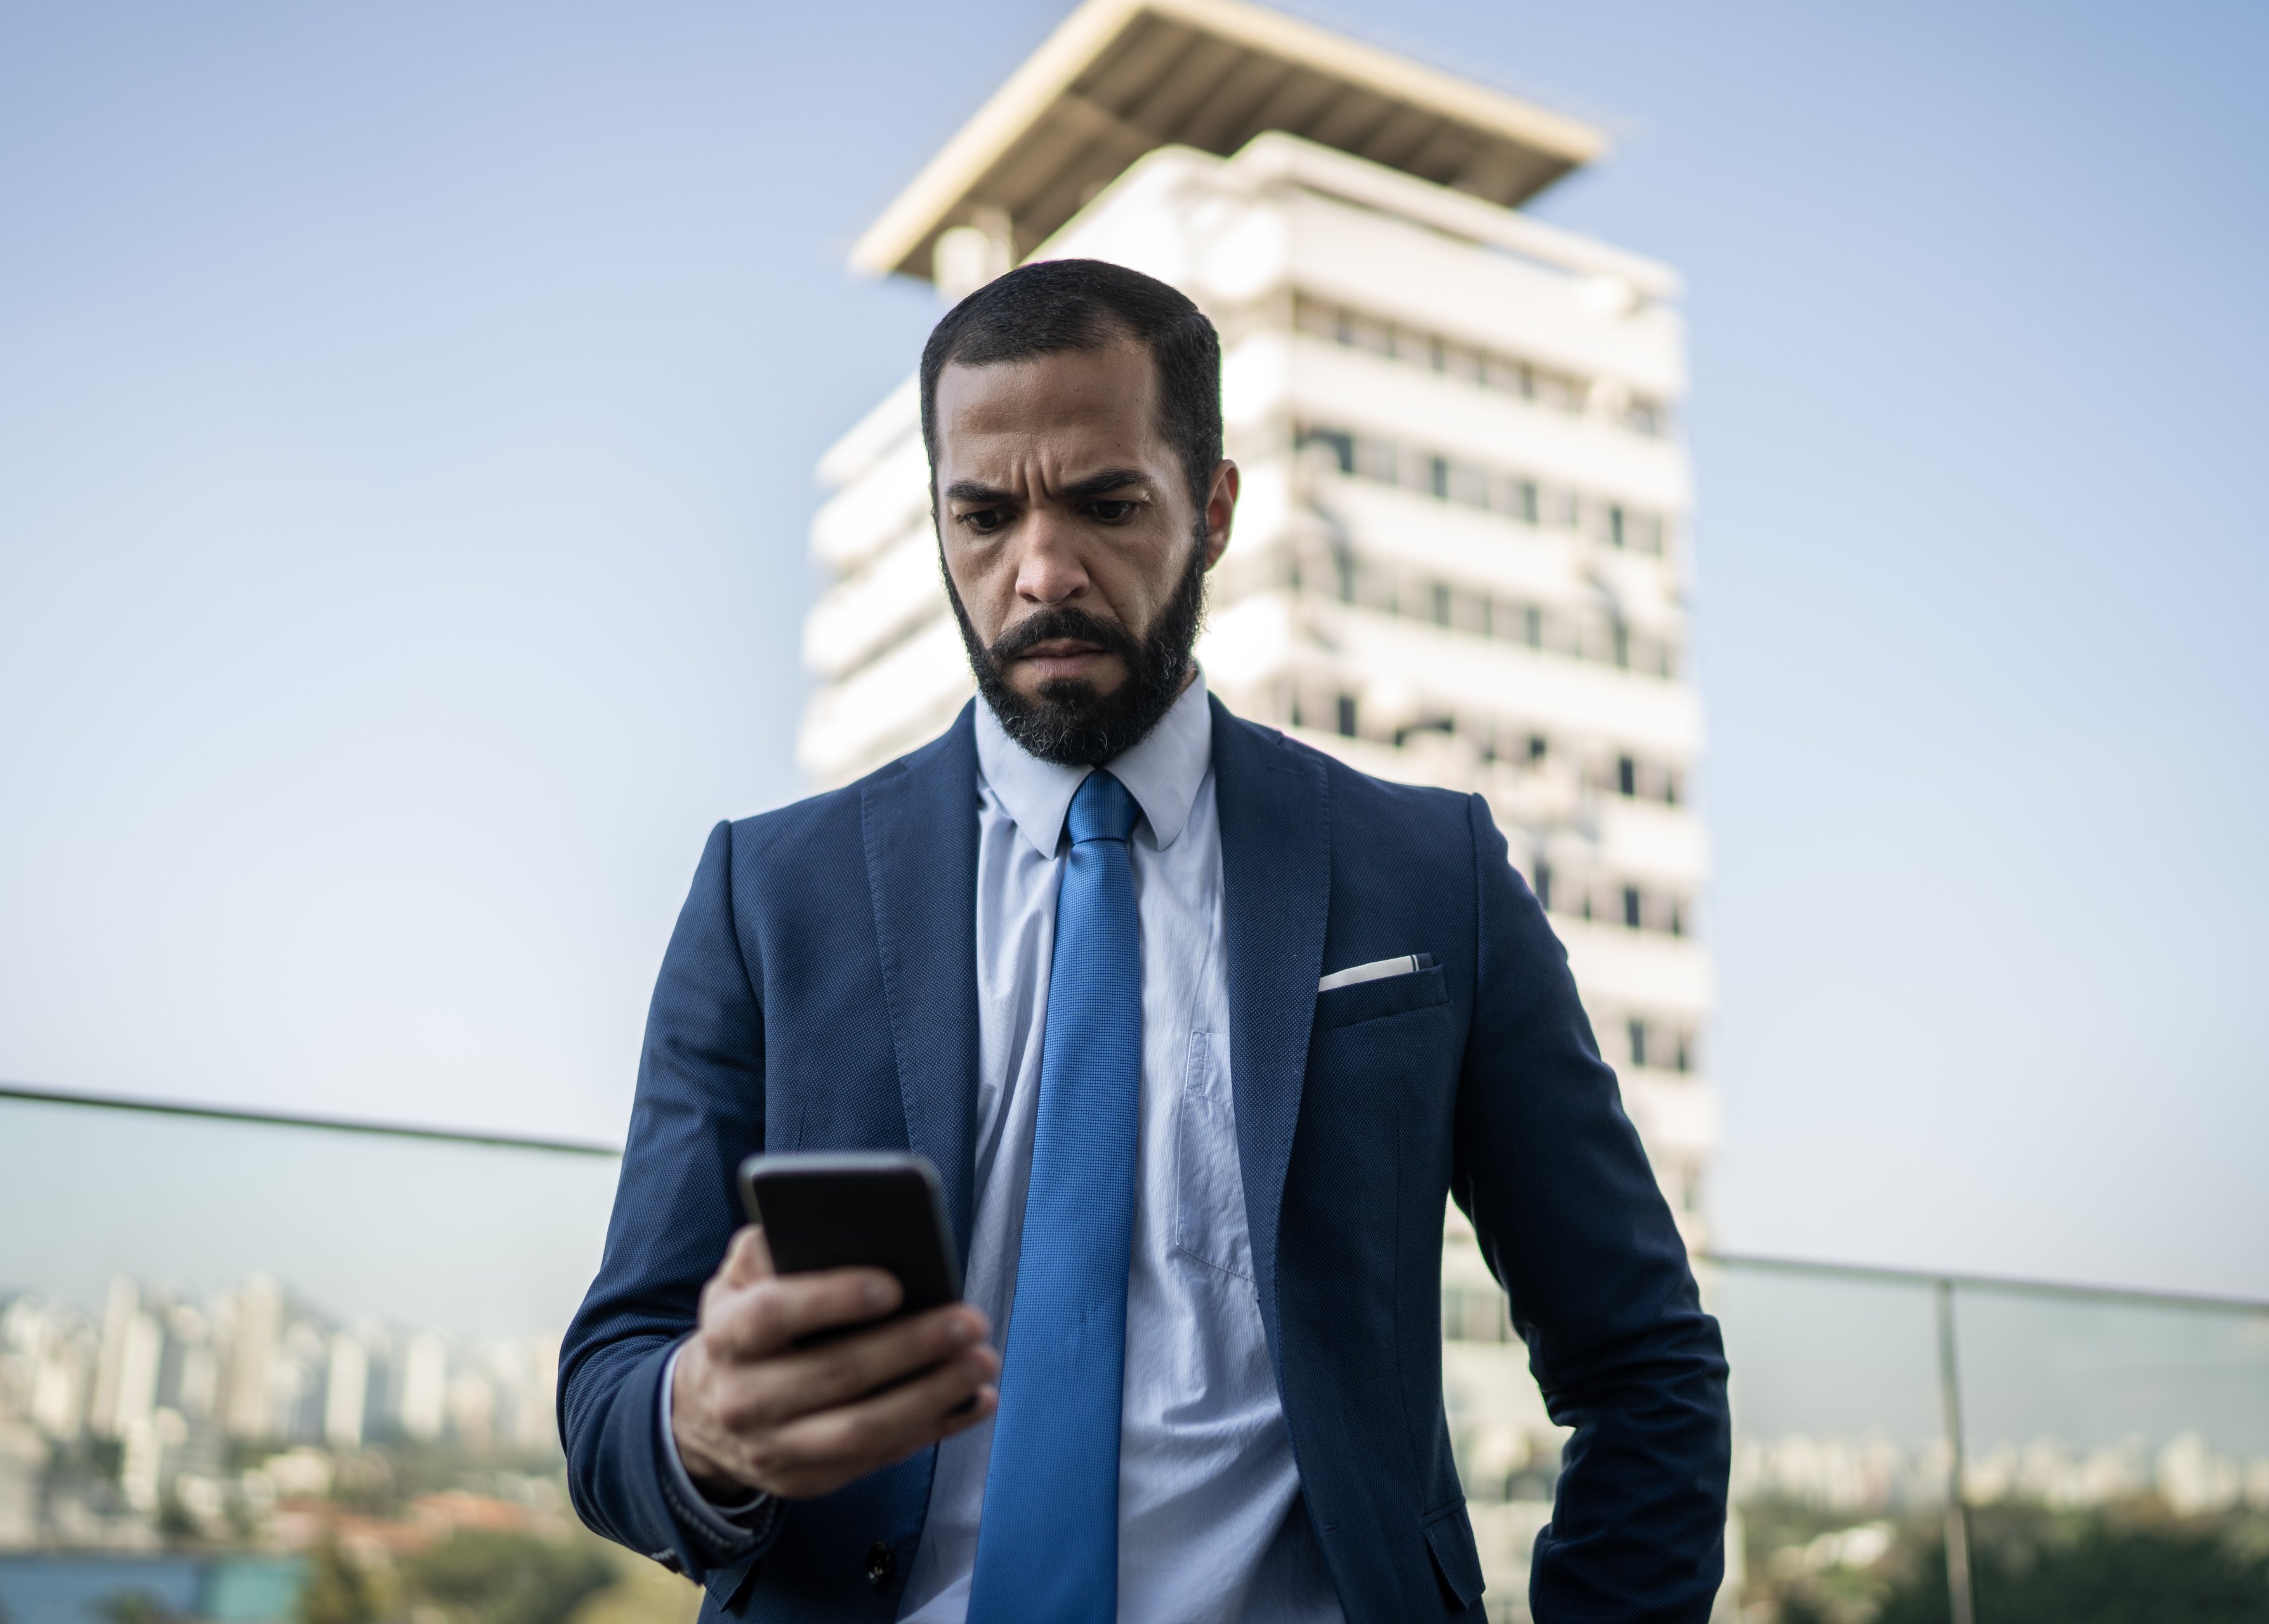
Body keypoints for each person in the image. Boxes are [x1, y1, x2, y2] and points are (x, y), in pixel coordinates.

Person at [560, 259, 1729, 1624]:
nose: (1042, 570)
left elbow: (1643, 1363)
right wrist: (697, 1419)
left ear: (1213, 509)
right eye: (984, 516)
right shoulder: (769, 893)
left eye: (1106, 504)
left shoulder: (1429, 875)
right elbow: (608, 1399)